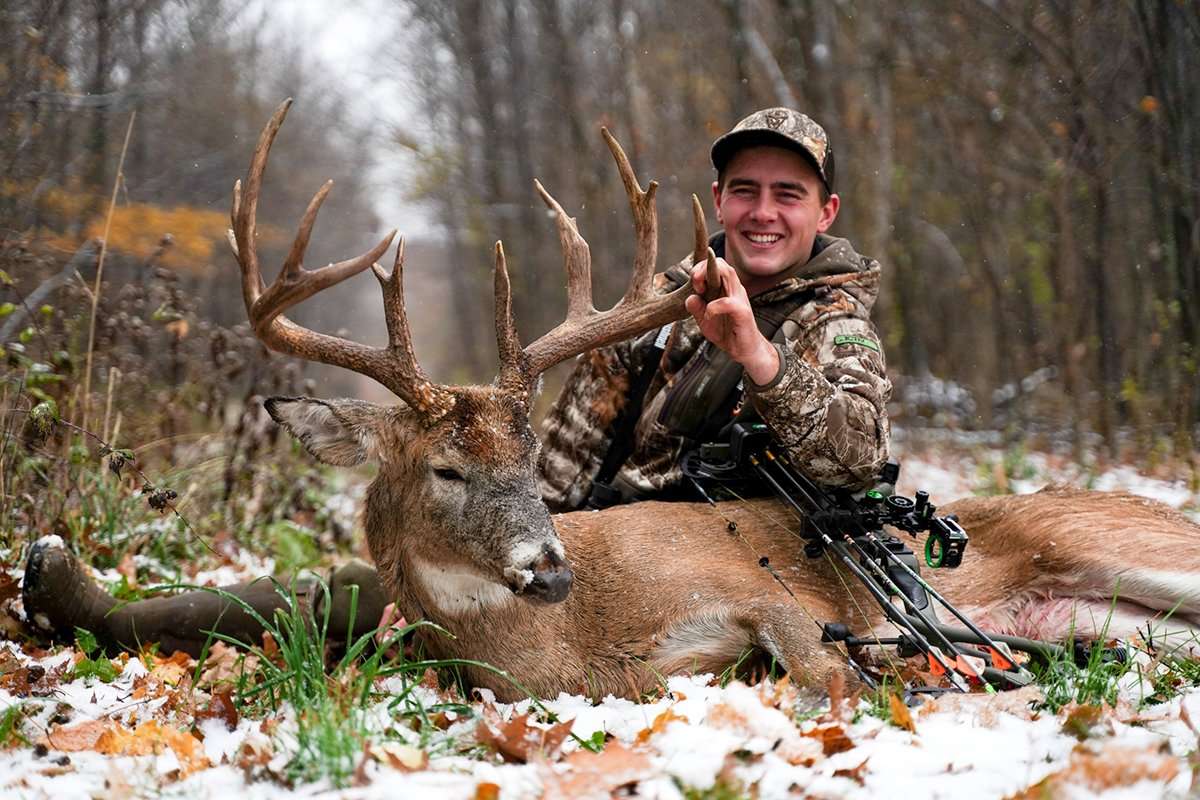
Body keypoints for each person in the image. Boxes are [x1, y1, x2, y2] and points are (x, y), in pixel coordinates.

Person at [22, 108, 891, 656]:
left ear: (825, 212)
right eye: (746, 191)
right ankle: (117, 621)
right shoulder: (659, 311)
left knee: (391, 627)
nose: (764, 212)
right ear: (721, 197)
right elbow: (560, 463)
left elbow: (856, 459)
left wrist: (758, 357)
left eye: (788, 193)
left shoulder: (831, 320)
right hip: (612, 552)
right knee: (354, 598)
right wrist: (507, 547)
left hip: (741, 564)